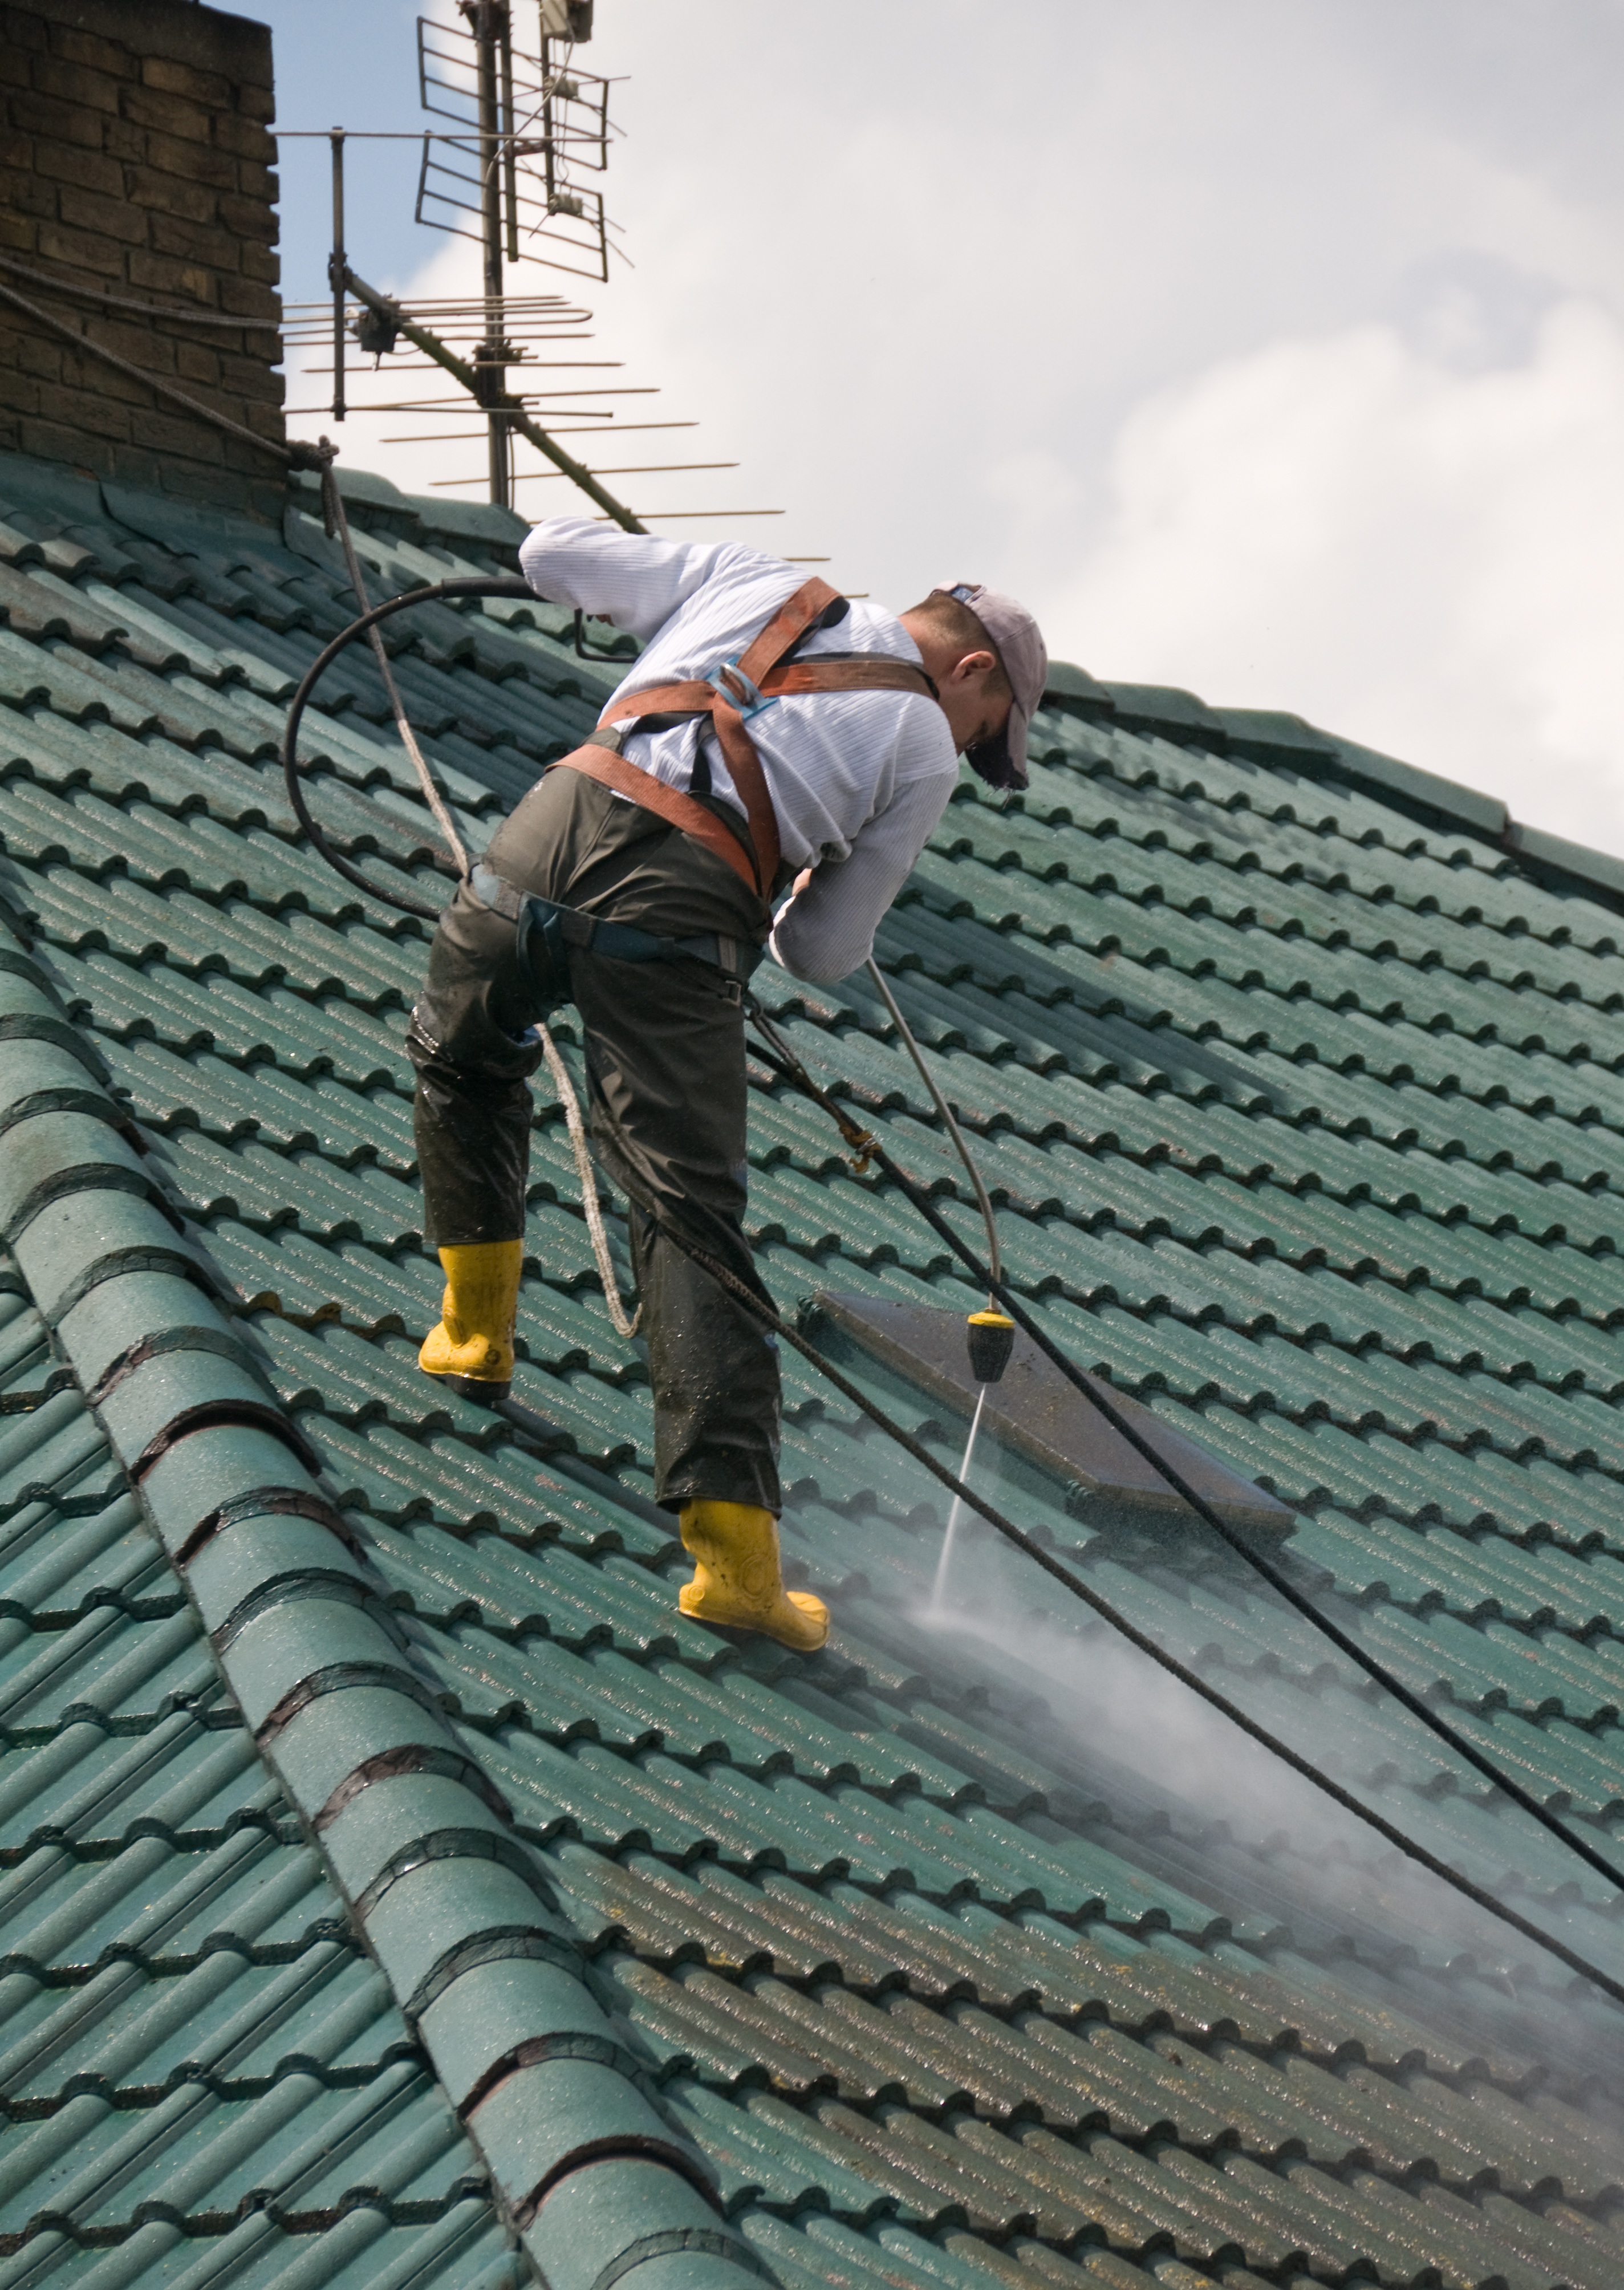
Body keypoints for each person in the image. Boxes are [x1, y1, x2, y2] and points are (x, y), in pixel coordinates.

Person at [407, 515, 1046, 1651]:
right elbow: (821, 953)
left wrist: (660, 616)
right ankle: (735, 1563)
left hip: (543, 836)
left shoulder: (752, 577)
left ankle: (471, 1332)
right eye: (985, 729)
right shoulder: (922, 749)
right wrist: (795, 870)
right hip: (674, 926)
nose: (972, 748)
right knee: (686, 1215)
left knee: (462, 1049)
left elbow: (547, 554)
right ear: (971, 673)